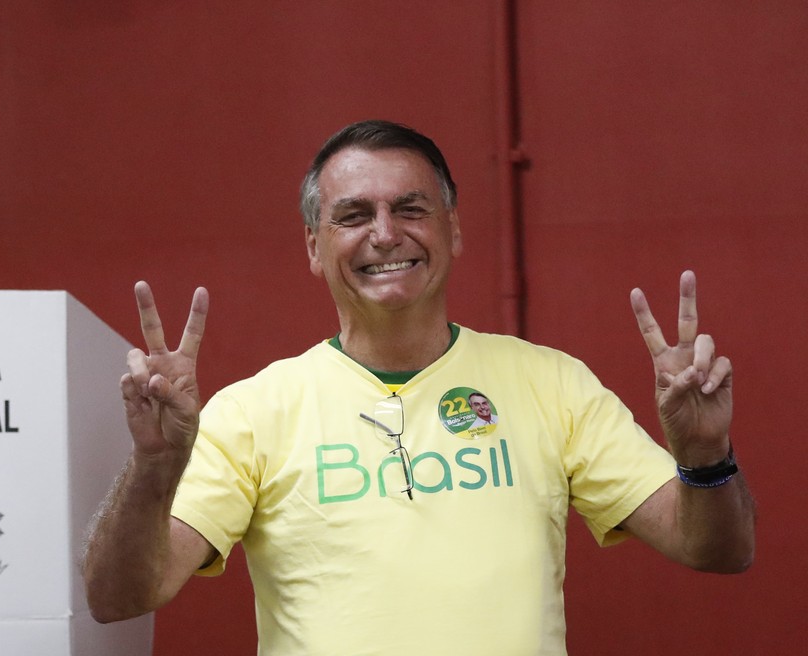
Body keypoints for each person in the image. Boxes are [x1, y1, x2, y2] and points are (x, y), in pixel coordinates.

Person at [83, 120, 755, 654]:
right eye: (352, 215)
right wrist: (156, 464)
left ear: (453, 230)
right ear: (314, 247)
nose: (385, 234)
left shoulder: (552, 383)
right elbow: (119, 597)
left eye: (411, 208)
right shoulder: (255, 412)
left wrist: (704, 456)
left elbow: (717, 550)